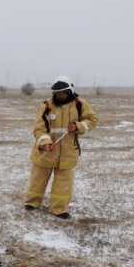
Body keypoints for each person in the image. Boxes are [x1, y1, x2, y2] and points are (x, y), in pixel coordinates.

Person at [23, 75, 98, 219]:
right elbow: (39, 129)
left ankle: (59, 209)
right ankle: (32, 202)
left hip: (68, 153)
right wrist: (45, 144)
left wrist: (78, 126)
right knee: (38, 180)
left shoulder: (80, 104)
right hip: (45, 153)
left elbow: (92, 120)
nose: (60, 95)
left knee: (63, 184)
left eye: (63, 92)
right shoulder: (45, 106)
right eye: (57, 93)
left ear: (69, 91)